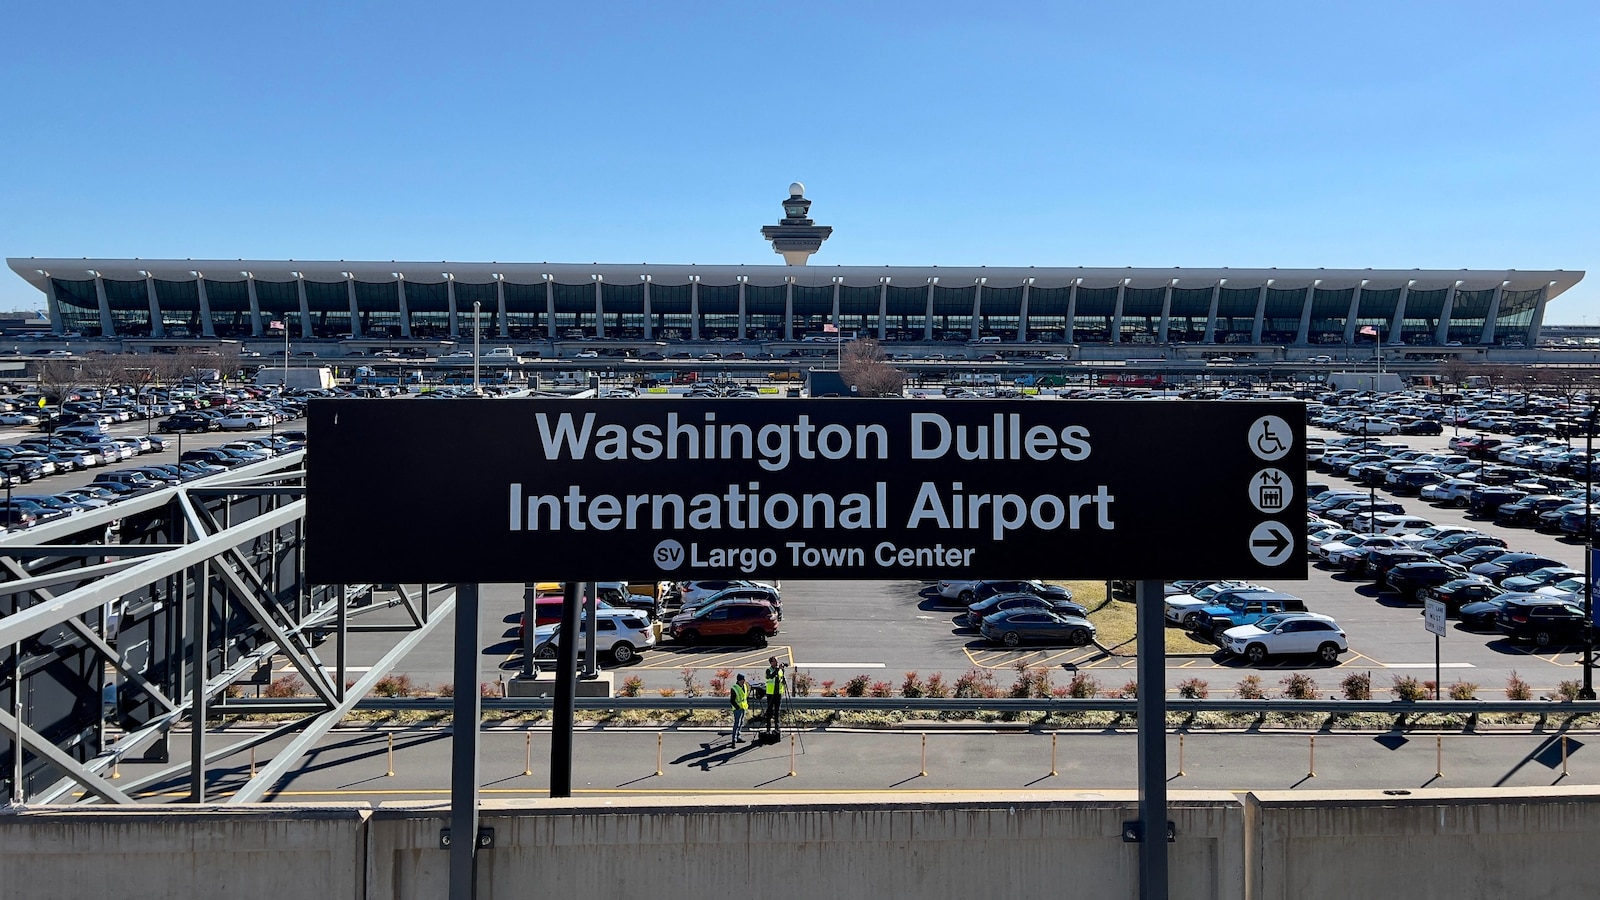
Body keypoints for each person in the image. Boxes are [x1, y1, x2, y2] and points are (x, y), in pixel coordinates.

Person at [764, 657, 786, 735]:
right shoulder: (768, 670)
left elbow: (782, 679)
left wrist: (782, 671)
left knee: (777, 711)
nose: (776, 663)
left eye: (777, 661)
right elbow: (771, 676)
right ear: (771, 662)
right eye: (775, 661)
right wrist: (778, 669)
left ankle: (777, 727)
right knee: (769, 711)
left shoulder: (779, 670)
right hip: (770, 693)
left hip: (778, 693)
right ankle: (768, 728)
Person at [729, 673, 749, 745]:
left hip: (743, 707)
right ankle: (733, 740)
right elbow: (732, 700)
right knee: (737, 724)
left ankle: (738, 737)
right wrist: (737, 707)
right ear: (739, 680)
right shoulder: (734, 688)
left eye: (744, 680)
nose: (743, 681)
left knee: (741, 723)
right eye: (742, 680)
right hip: (737, 709)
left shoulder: (744, 686)